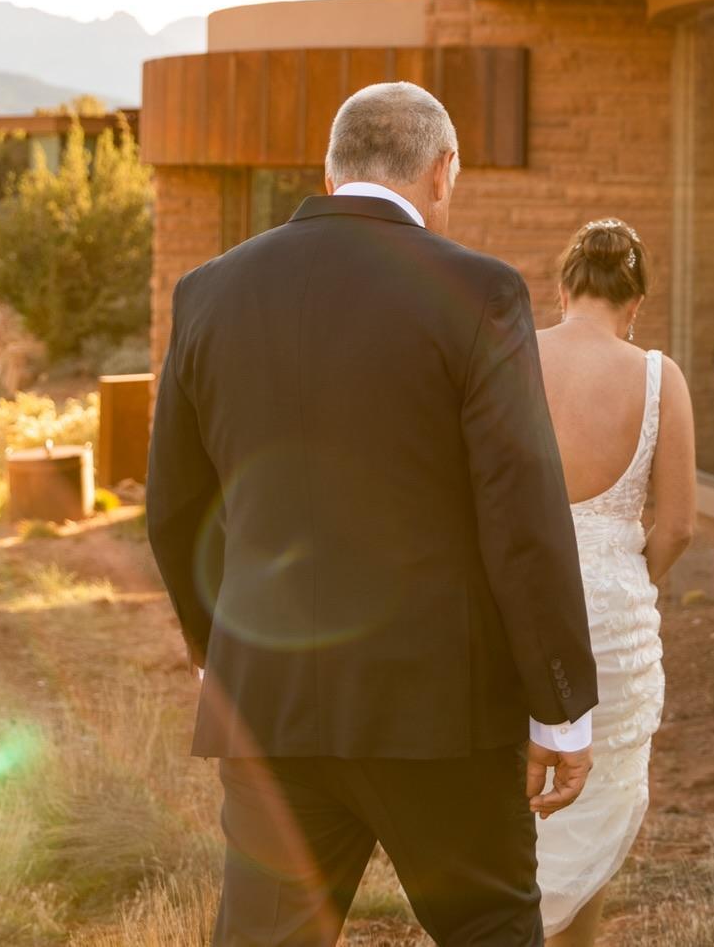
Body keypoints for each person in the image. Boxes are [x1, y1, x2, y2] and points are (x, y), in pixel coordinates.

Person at [147, 82, 598, 947]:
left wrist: (221, 656)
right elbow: (522, 513)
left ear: (330, 171)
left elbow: (173, 507)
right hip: (440, 712)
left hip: (269, 702)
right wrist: (561, 706)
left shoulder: (207, 291)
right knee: (489, 929)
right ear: (443, 171)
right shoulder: (482, 291)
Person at [530, 217, 695, 945]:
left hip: (515, 613)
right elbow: (678, 525)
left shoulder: (512, 355)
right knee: (592, 809)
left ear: (563, 289)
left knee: (505, 791)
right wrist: (625, 576)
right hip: (611, 631)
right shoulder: (659, 378)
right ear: (636, 304)